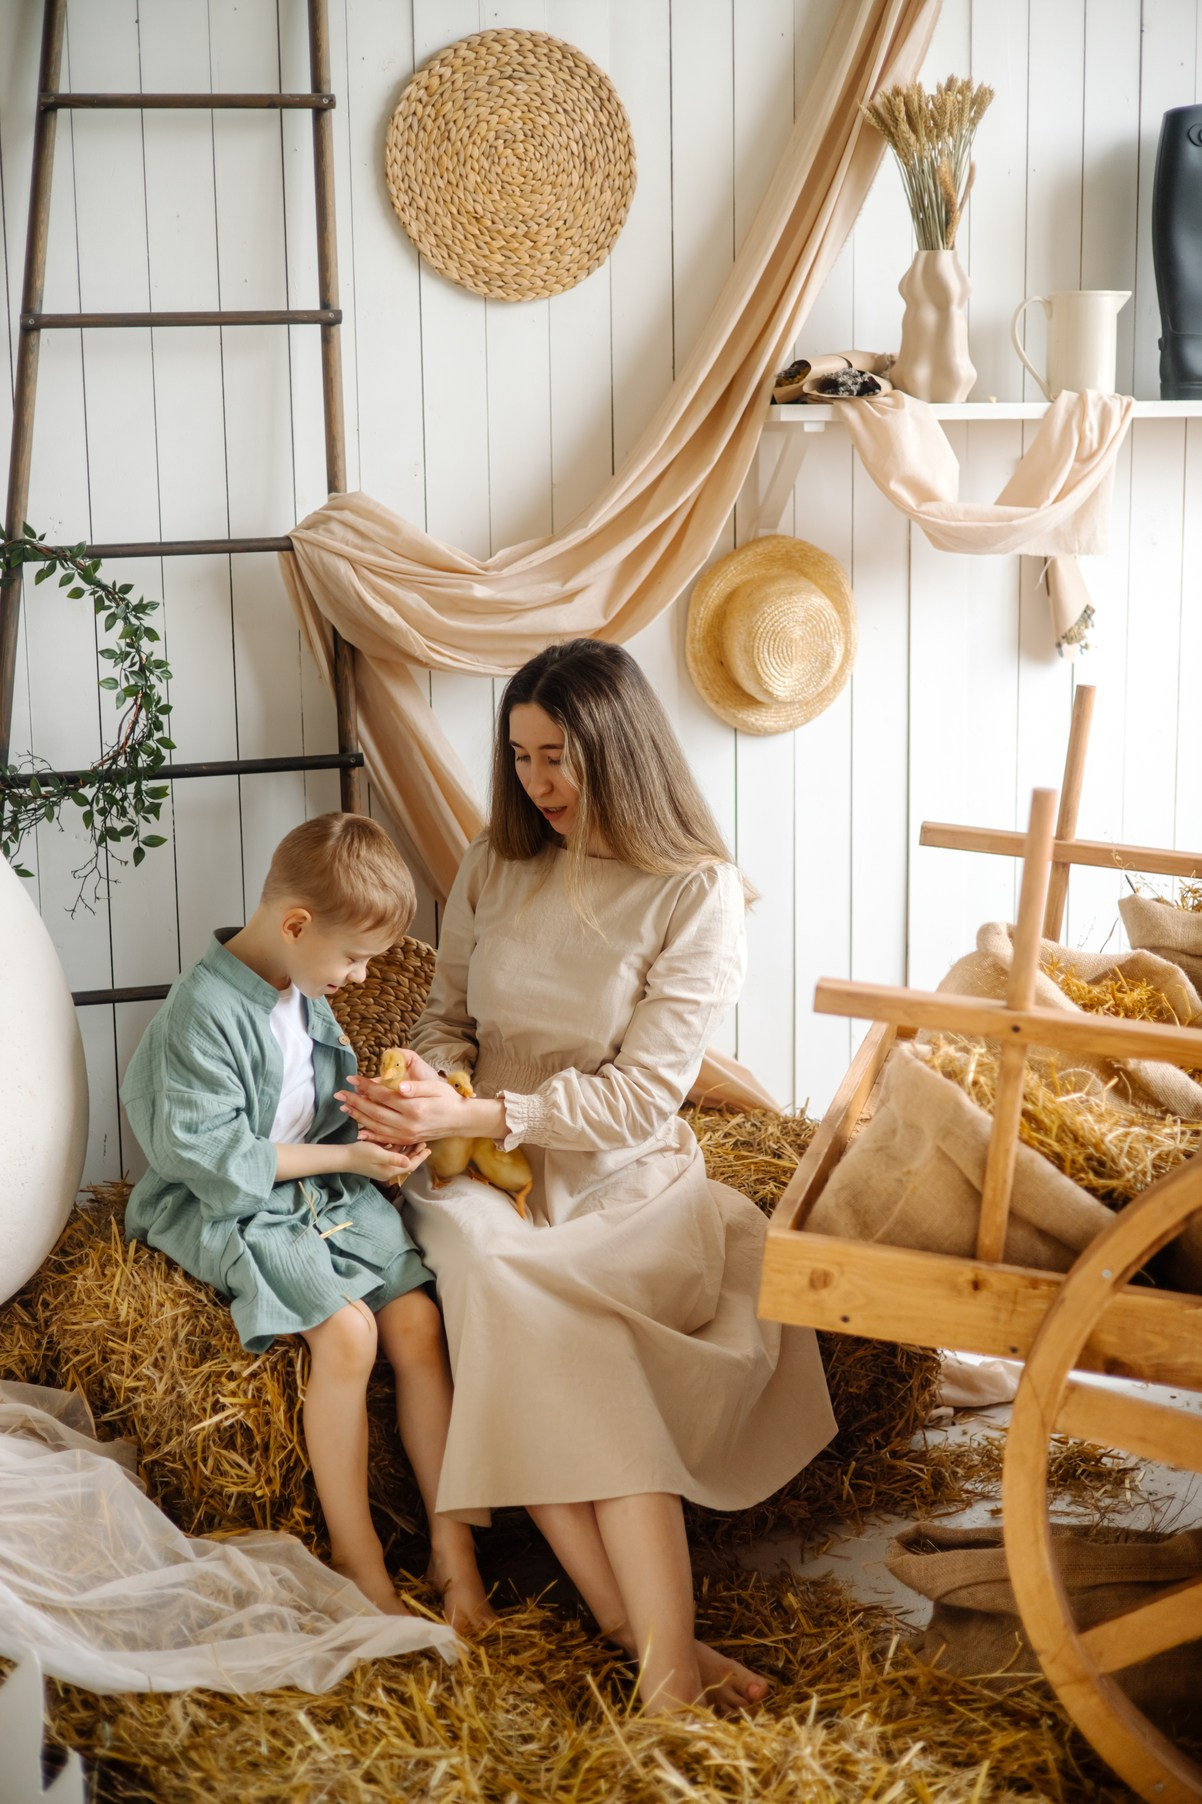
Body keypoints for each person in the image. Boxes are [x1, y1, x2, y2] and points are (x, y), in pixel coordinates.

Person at [339, 640, 836, 1712]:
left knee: (563, 1335)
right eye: (518, 756)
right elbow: (448, 1018)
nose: (535, 783)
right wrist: (433, 1085)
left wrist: (472, 1106)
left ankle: (654, 1660)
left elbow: (639, 1099)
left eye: (557, 757)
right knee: (504, 1282)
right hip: (483, 1177)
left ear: (619, 751)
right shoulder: (491, 860)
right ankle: (661, 1654)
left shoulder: (695, 892)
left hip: (624, 1183)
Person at [121, 813, 493, 1629]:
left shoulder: (299, 986)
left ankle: (452, 1548)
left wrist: (376, 1126)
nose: (361, 979)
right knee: (350, 1334)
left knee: (418, 1322)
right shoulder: (203, 1013)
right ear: (296, 924)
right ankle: (358, 1563)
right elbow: (217, 1158)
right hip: (236, 1199)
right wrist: (349, 1164)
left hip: (321, 1182)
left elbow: (313, 1106)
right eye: (355, 958)